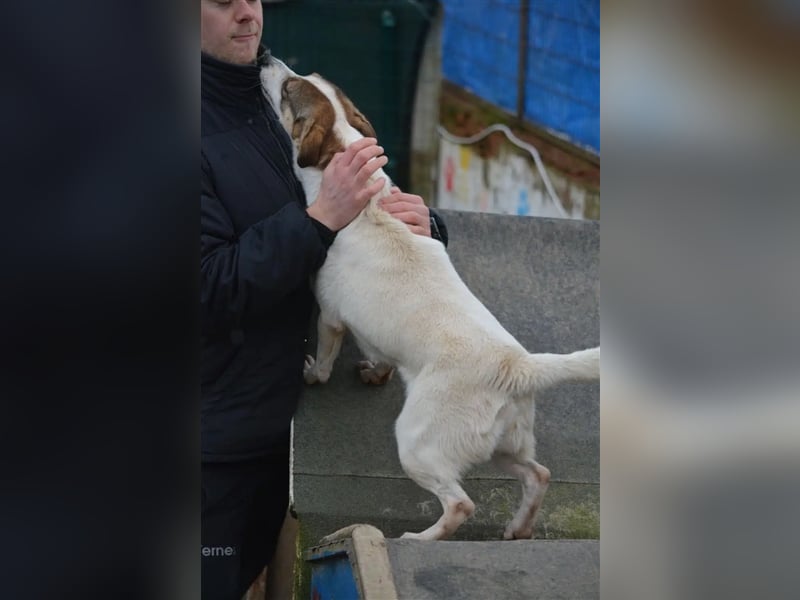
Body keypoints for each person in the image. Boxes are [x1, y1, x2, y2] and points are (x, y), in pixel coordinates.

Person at [200, 1, 448, 597]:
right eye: (220, 0)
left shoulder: (273, 88)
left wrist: (423, 224)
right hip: (213, 447)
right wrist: (318, 220)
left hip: (284, 426)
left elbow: (348, 212)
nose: (246, 13)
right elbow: (207, 286)